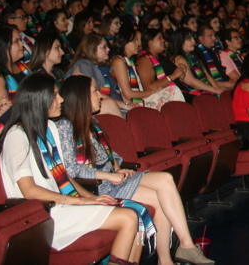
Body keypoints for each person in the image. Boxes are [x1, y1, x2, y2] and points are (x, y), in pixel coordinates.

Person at [56, 76, 213, 264]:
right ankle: (170, 258)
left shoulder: (91, 122)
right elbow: (70, 170)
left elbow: (108, 154)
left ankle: (182, 247)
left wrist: (118, 168)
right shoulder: (65, 126)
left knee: (165, 180)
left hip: (112, 180)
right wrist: (109, 175)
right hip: (97, 187)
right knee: (158, 198)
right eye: (95, 91)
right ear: (81, 96)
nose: (100, 96)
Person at [0, 74, 146, 264]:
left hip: (62, 205)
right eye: (55, 95)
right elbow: (29, 191)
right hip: (42, 213)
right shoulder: (16, 136)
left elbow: (64, 177)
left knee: (135, 216)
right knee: (129, 218)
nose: (61, 100)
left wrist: (90, 198)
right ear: (40, 100)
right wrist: (79, 202)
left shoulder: (49, 127)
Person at [0, 25, 31, 108]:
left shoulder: (22, 67)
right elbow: (3, 109)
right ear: (3, 45)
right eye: (16, 41)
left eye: (21, 40)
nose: (22, 44)